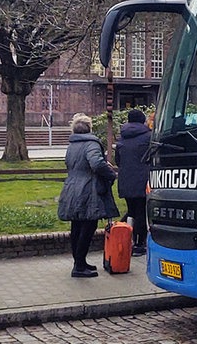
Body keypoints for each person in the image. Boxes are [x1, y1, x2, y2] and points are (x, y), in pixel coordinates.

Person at [56, 113, 118, 278]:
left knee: (76, 226)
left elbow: (69, 164)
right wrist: (111, 173)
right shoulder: (91, 144)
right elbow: (96, 164)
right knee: (88, 226)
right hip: (88, 189)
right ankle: (79, 266)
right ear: (89, 128)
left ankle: (79, 262)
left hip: (72, 187)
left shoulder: (72, 145)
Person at [116, 108, 152, 256]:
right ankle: (139, 244)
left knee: (131, 211)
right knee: (141, 212)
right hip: (143, 180)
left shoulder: (122, 138)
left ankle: (125, 240)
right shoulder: (149, 136)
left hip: (125, 180)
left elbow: (118, 160)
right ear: (143, 120)